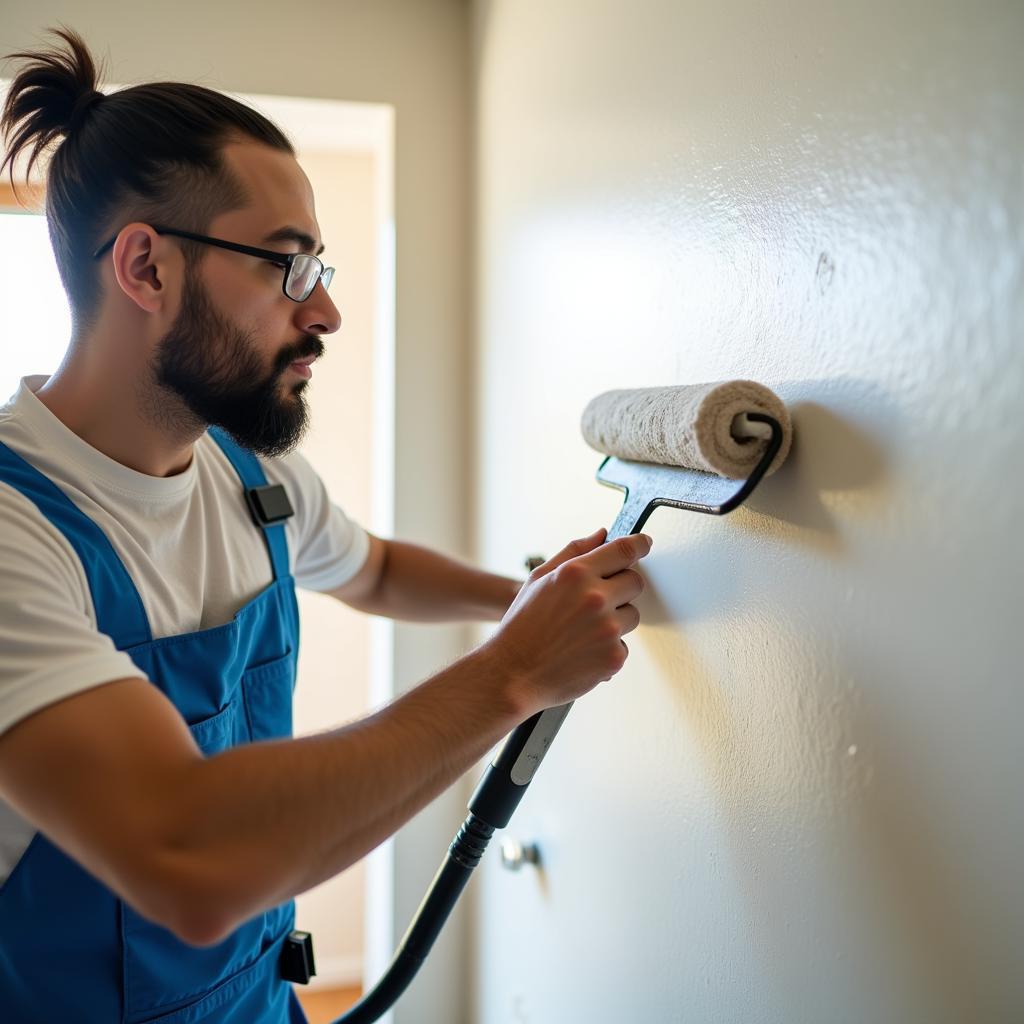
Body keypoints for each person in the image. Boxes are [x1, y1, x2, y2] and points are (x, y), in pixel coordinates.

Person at [0, 28, 651, 1024]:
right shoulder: (15, 528)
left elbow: (378, 570)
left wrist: (521, 600)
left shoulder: (249, 475)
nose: (329, 312)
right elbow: (186, 856)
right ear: (145, 268)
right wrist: (515, 667)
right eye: (289, 268)